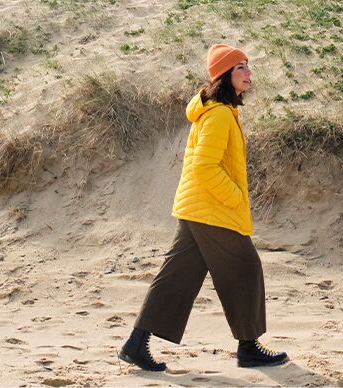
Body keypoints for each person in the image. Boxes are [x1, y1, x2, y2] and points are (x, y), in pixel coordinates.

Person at [118, 43, 289, 372]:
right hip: (211, 208)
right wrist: (235, 197)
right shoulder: (220, 114)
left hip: (198, 207)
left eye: (248, 65)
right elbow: (203, 166)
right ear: (225, 75)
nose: (248, 72)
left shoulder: (221, 110)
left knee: (177, 276)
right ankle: (248, 347)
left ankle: (135, 344)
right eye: (240, 67)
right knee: (246, 267)